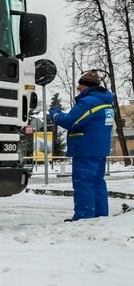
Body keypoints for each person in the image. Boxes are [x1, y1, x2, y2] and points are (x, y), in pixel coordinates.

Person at [49, 69, 115, 221]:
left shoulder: (88, 102)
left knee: (83, 182)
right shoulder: (107, 103)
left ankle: (84, 216)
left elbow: (70, 121)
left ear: (87, 86)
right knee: (97, 181)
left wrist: (57, 116)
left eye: (80, 85)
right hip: (100, 149)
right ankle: (100, 214)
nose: (78, 88)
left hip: (85, 148)